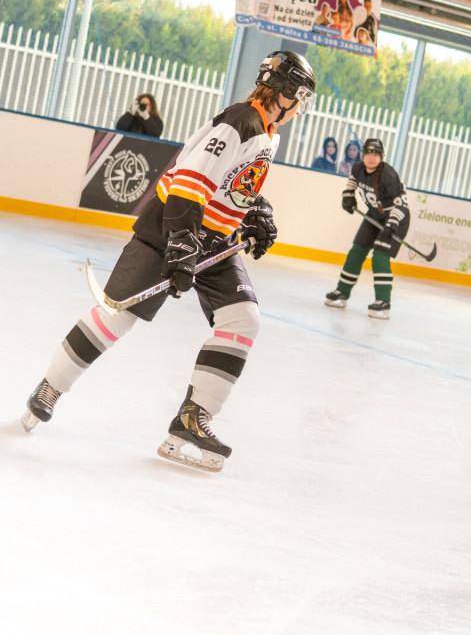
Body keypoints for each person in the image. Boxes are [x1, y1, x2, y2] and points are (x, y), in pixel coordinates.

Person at [21, 51, 316, 474]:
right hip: (171, 229)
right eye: (299, 96)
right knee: (116, 317)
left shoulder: (268, 133)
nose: (300, 107)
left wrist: (255, 211)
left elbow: (231, 184)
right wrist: (180, 243)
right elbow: (188, 182)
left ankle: (191, 420)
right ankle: (51, 386)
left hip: (214, 242)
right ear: (284, 91)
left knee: (243, 320)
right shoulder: (242, 121)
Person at [323, 138, 409, 319]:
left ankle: (383, 302)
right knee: (357, 251)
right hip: (374, 214)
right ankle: (342, 292)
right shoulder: (358, 168)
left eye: (376, 154)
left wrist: (392, 223)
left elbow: (402, 204)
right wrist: (348, 195)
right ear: (363, 155)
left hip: (396, 218)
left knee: (379, 256)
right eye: (369, 154)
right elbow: (353, 181)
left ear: (381, 157)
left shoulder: (389, 176)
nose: (372, 158)